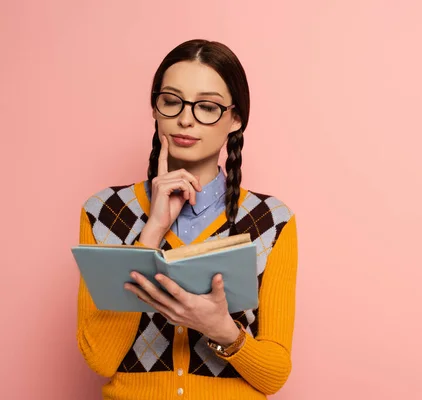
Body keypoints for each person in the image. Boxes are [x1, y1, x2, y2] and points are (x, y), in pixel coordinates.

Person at [76, 39, 298, 400]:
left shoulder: (270, 220)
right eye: (171, 101)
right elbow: (100, 358)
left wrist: (223, 329)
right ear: (155, 107)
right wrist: (151, 234)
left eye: (207, 106)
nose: (185, 118)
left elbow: (274, 375)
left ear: (235, 118)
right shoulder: (105, 212)